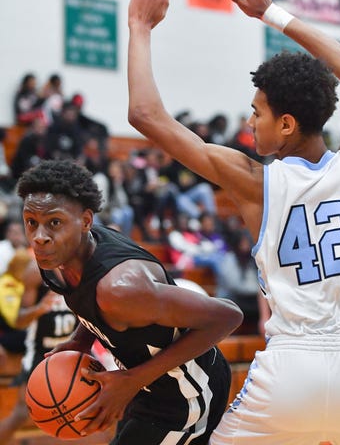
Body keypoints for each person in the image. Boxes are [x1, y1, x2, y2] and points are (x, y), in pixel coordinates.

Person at [127, 0, 340, 443]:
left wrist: (139, 27)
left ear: (285, 124)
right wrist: (272, 14)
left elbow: (145, 115)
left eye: (256, 111)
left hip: (291, 370)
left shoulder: (254, 181)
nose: (249, 119)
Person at [16, 159, 243, 444]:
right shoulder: (57, 259)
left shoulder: (121, 288)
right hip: (146, 385)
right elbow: (91, 302)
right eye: (31, 223)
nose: (39, 238)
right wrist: (81, 340)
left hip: (188, 392)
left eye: (54, 223)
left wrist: (134, 379)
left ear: (86, 221)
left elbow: (228, 316)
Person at [0, 250, 78, 445]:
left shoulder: (81, 269)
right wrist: (39, 308)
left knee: (83, 411)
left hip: (71, 352)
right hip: (39, 352)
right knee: (20, 413)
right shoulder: (35, 272)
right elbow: (18, 320)